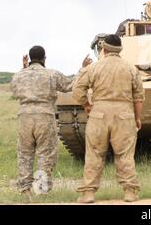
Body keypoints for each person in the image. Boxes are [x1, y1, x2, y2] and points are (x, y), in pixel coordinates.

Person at [10, 46, 91, 199]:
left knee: (25, 153)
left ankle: (25, 190)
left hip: (24, 117)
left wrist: (23, 69)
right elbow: (70, 86)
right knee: (45, 154)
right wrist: (82, 69)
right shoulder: (51, 74)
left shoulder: (19, 75)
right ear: (44, 58)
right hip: (44, 116)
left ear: (29, 58)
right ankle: (41, 189)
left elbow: (15, 91)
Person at [73, 34, 145, 204]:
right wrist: (137, 118)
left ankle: (88, 193)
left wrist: (87, 105)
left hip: (99, 114)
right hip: (124, 115)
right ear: (120, 50)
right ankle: (129, 192)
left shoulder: (93, 68)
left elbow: (77, 92)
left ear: (103, 49)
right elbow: (138, 97)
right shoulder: (130, 68)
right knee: (125, 154)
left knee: (94, 154)